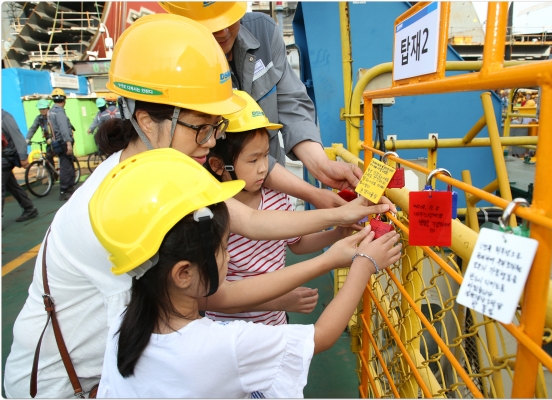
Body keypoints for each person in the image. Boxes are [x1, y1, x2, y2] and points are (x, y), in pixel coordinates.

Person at [3, 14, 395, 399]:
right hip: (65, 385)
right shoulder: (125, 199)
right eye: (202, 129)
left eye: (217, 129)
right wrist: (338, 251)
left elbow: (253, 222)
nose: (211, 144)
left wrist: (341, 210)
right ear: (148, 121)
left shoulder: (158, 173)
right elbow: (213, 294)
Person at [90, 149, 401, 398]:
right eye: (224, 249)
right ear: (183, 274)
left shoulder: (124, 323)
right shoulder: (224, 346)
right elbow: (320, 337)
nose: (230, 257)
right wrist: (363, 264)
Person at [159, 2, 363, 197]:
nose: (222, 32)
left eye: (228, 19)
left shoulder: (263, 33)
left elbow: (292, 104)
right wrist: (313, 194)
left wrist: (322, 165)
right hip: (212, 194)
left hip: (272, 191)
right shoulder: (169, 62)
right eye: (211, 26)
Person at [206, 91, 353, 325]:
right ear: (218, 165)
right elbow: (218, 295)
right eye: (253, 160)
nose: (264, 168)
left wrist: (337, 233)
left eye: (266, 156)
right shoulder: (211, 213)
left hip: (274, 323)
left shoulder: (277, 198)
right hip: (228, 328)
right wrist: (279, 301)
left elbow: (297, 243)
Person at [2, 110, 38, 221]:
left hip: (5, 158)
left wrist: (23, 157)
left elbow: (17, 137)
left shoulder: (4, 117)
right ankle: (29, 208)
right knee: (11, 185)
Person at [48, 88, 76, 200]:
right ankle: (65, 189)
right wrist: (68, 143)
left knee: (67, 164)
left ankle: (69, 187)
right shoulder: (59, 112)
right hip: (63, 142)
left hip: (57, 142)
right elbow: (64, 129)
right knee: (66, 166)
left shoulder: (51, 112)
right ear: (64, 99)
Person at [26, 99, 56, 173]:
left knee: (63, 157)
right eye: (40, 109)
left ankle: (66, 175)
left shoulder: (53, 116)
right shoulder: (39, 118)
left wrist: (54, 138)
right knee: (48, 157)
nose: (42, 111)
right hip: (48, 141)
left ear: (48, 108)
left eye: (44, 109)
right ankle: (52, 176)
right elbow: (33, 128)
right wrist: (27, 139)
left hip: (58, 139)